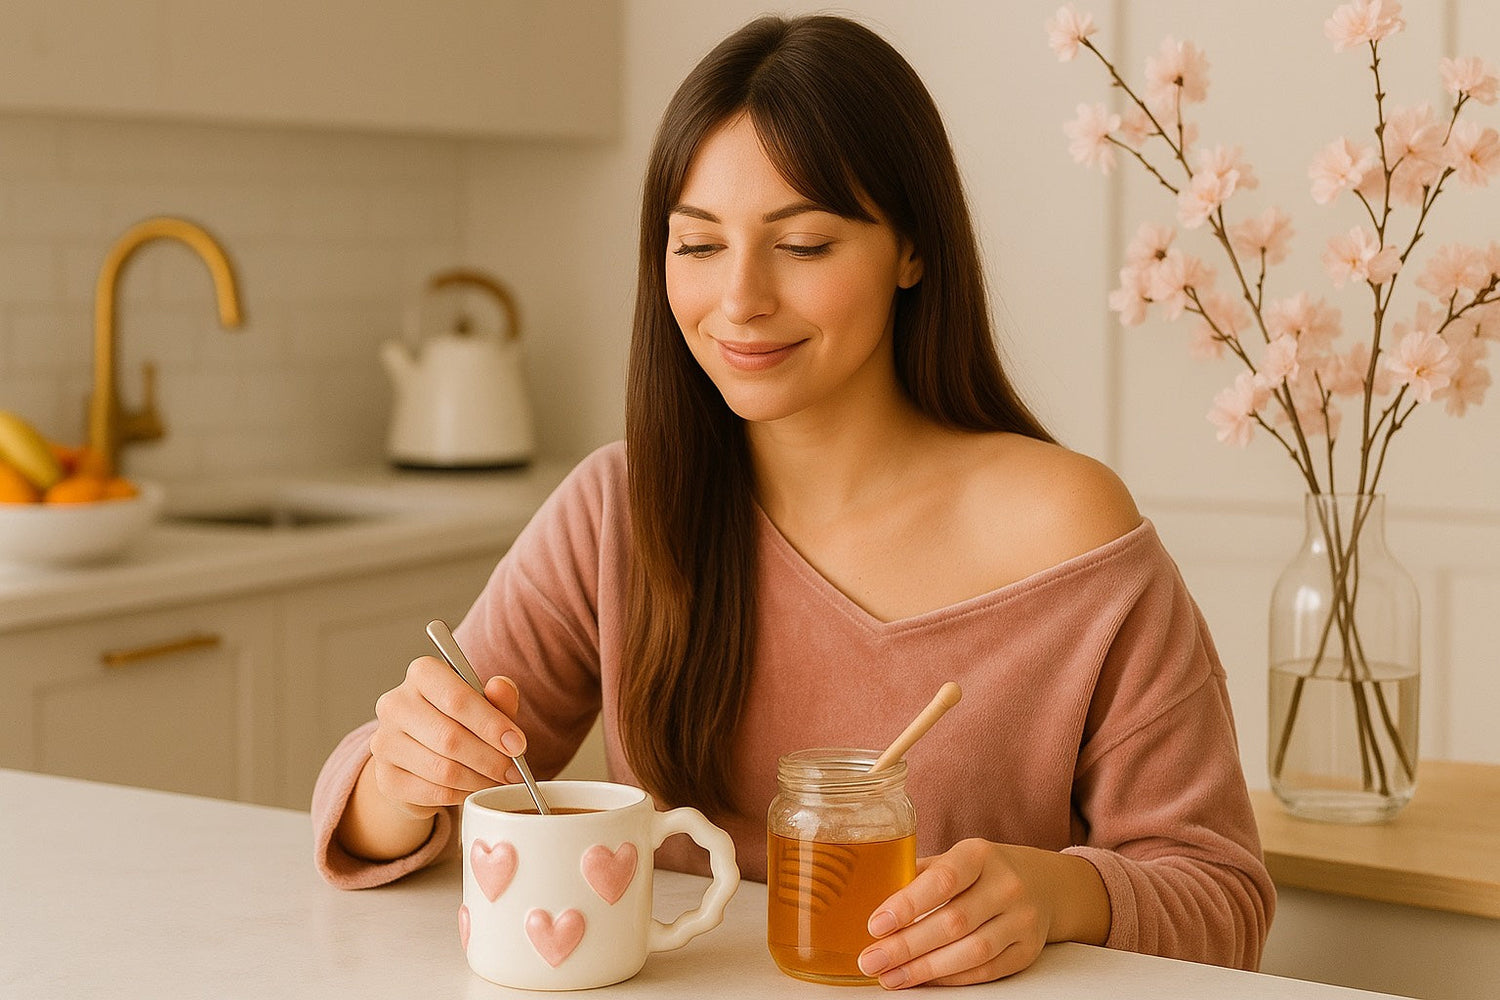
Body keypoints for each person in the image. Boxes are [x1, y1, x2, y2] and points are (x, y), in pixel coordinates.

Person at [312, 13, 1275, 989]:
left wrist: (1060, 893)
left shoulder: (1064, 528)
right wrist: (401, 779)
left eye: (803, 244)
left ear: (911, 249)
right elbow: (365, 812)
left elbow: (1221, 897)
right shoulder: (622, 508)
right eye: (696, 245)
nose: (739, 298)